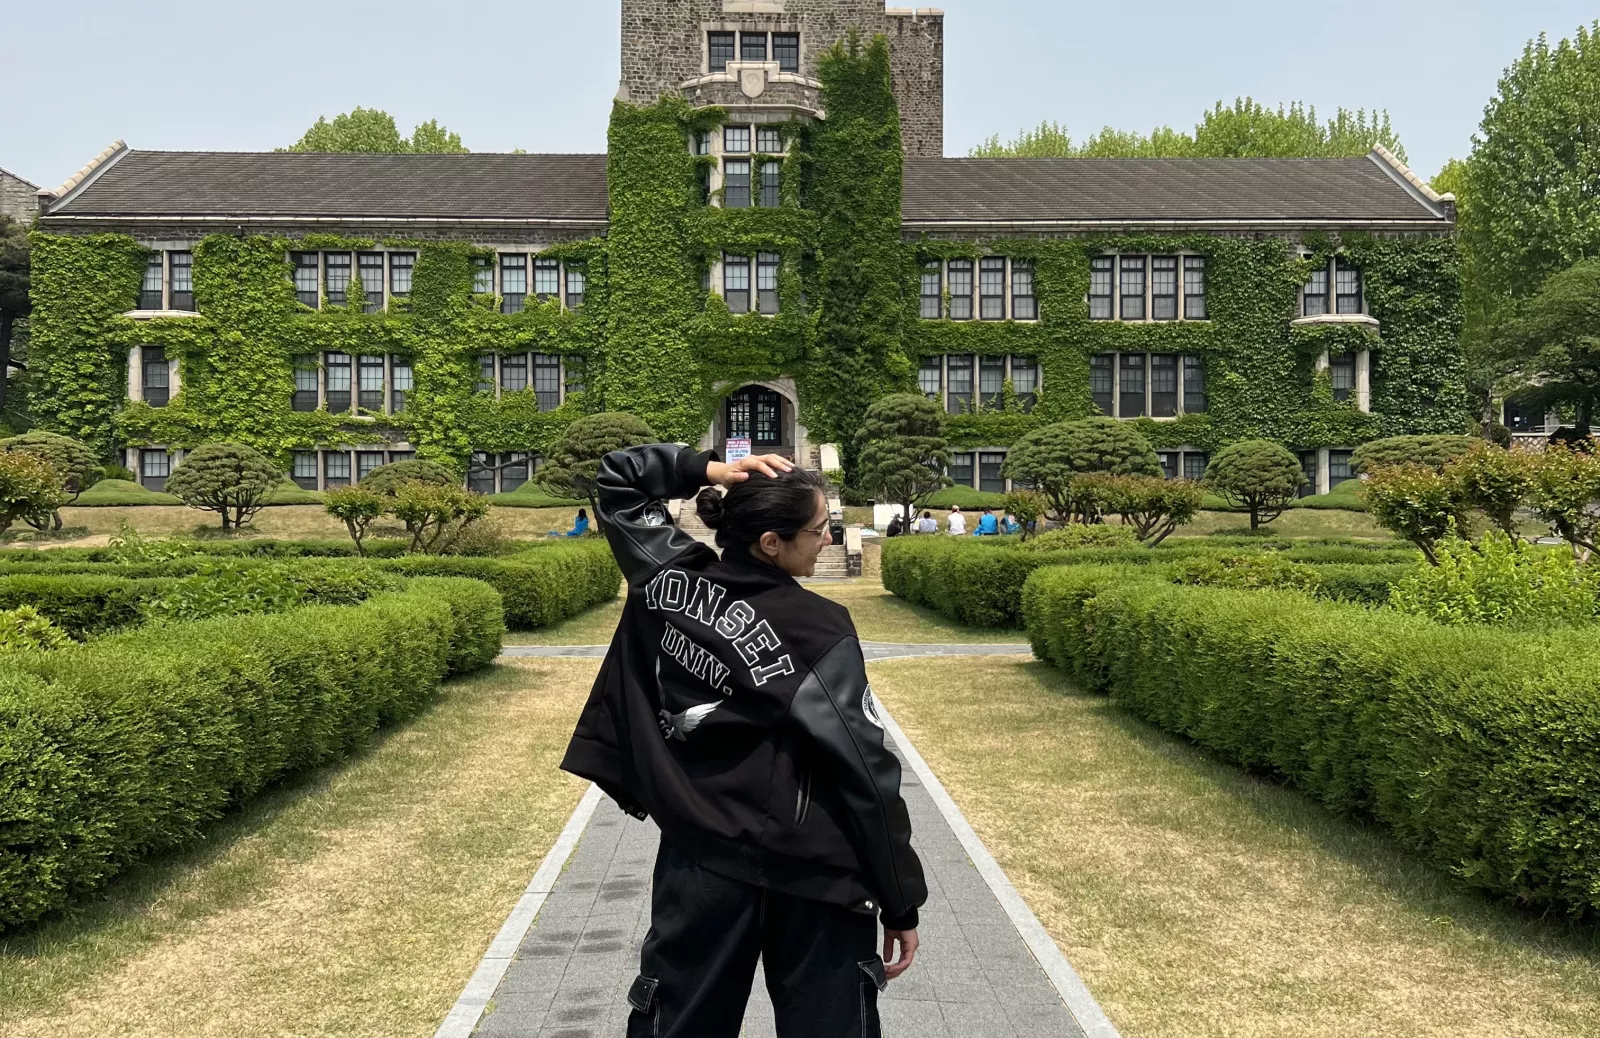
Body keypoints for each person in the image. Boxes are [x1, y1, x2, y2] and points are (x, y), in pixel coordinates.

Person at [562, 445, 926, 1038]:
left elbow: (620, 477)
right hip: (814, 876)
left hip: (700, 855)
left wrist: (709, 469)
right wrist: (900, 898)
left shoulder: (667, 574)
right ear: (771, 543)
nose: (830, 539)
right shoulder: (819, 629)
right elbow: (866, 772)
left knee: (677, 1023)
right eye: (818, 529)